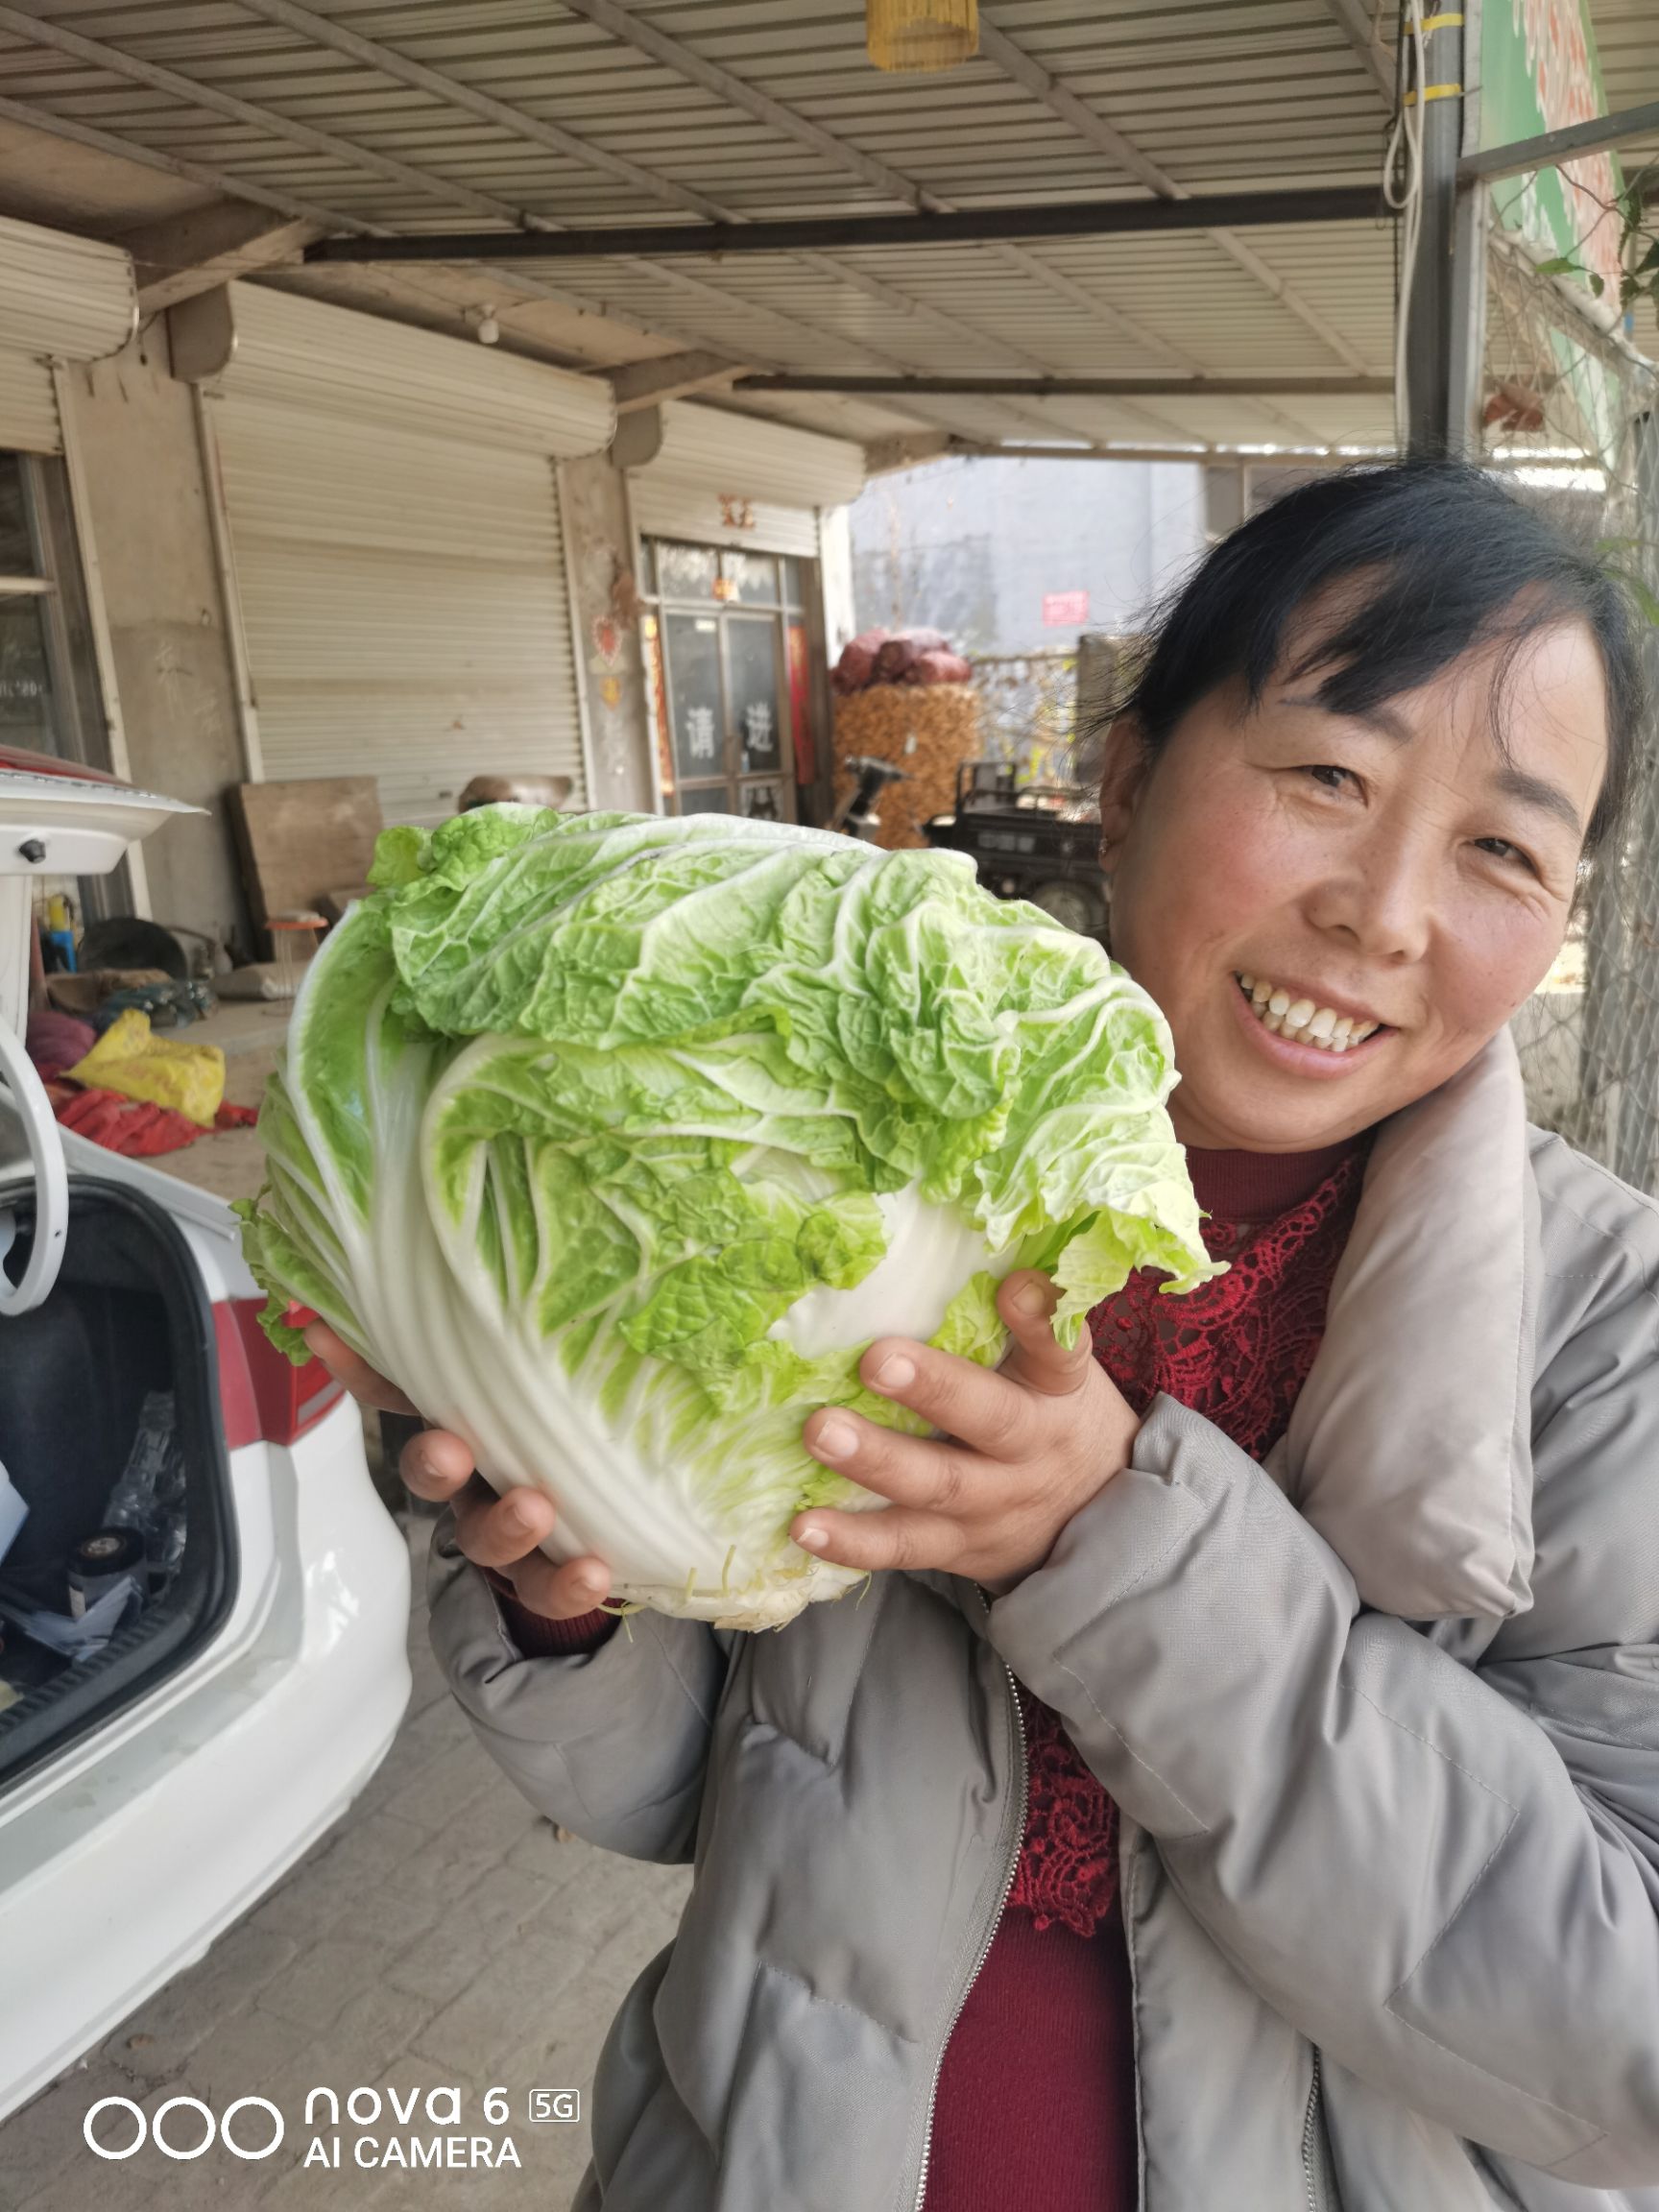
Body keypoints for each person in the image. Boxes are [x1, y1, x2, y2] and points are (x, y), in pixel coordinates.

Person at [308, 460, 1659, 2212]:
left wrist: (1107, 1545)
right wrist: (570, 1600)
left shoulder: (1605, 1329)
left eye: (1502, 849)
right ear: (1128, 781)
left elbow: (1614, 2047)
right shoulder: (845, 1162)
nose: (1386, 912)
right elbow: (690, 1804)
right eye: (1330, 775)